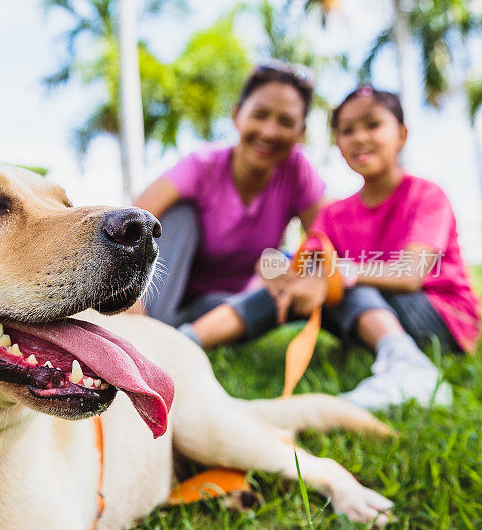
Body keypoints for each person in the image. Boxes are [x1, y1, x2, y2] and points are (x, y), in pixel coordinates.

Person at [184, 86, 481, 410]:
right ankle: (184, 342)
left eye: (372, 125)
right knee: (314, 276)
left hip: (438, 318)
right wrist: (273, 268)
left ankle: (409, 366)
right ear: (338, 143)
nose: (359, 138)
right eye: (347, 130)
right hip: (371, 310)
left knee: (334, 277)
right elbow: (299, 263)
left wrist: (334, 273)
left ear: (402, 134)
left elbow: (411, 273)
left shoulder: (426, 196)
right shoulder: (335, 214)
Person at [132, 62, 328, 334]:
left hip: (218, 307)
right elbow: (131, 218)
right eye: (260, 115)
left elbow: (328, 240)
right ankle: (148, 328)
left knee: (287, 277)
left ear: (301, 132)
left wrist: (312, 276)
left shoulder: (297, 171)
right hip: (157, 300)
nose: (270, 132)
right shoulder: (203, 165)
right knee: (180, 214)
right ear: (237, 115)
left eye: (285, 122)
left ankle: (187, 335)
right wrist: (133, 304)